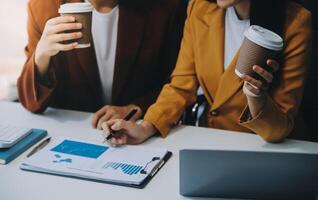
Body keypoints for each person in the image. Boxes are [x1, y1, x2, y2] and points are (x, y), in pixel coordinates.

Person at [102, 0, 312, 145]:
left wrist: (256, 98)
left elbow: (279, 130)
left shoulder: (295, 22)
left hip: (265, 150)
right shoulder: (200, 8)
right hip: (209, 142)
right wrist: (147, 127)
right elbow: (181, 86)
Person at [17, 0, 188, 129]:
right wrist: (41, 55)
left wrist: (135, 108)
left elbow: (177, 83)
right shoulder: (44, 7)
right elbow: (31, 103)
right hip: (71, 134)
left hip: (137, 133)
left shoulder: (165, 7)